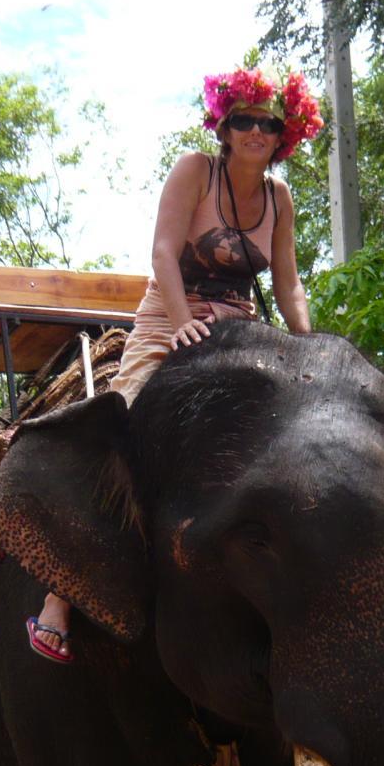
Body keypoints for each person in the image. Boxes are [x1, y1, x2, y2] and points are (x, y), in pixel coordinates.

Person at [25, 67, 325, 665]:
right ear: (224, 123)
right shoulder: (196, 170)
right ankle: (60, 595)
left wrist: (312, 345)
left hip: (241, 326)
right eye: (243, 119)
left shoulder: (280, 197)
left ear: (284, 134)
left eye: (268, 123)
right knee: (123, 425)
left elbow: (289, 285)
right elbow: (163, 251)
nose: (255, 132)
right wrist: (182, 317)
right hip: (171, 314)